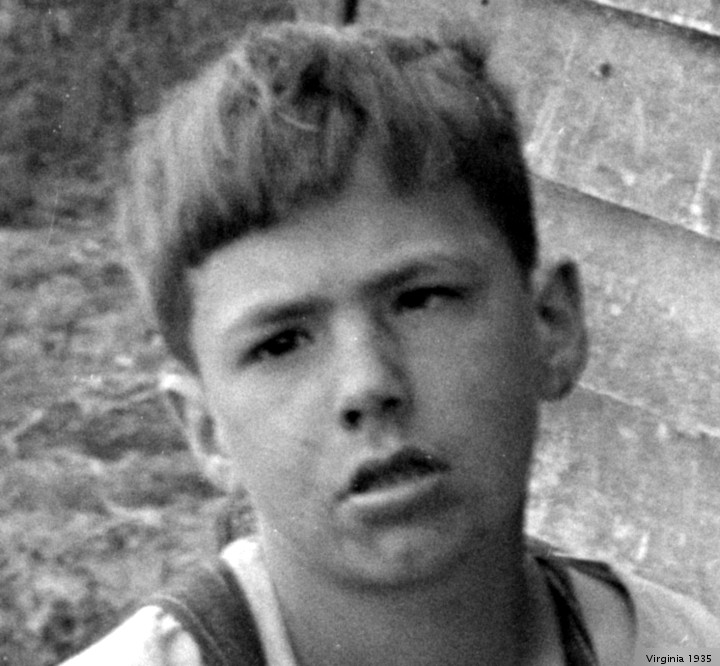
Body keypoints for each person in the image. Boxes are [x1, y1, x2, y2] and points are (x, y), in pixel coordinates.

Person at [62, 19, 720, 665]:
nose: (368, 384)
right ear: (206, 429)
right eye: (281, 343)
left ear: (551, 324)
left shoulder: (684, 650)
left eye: (421, 299)